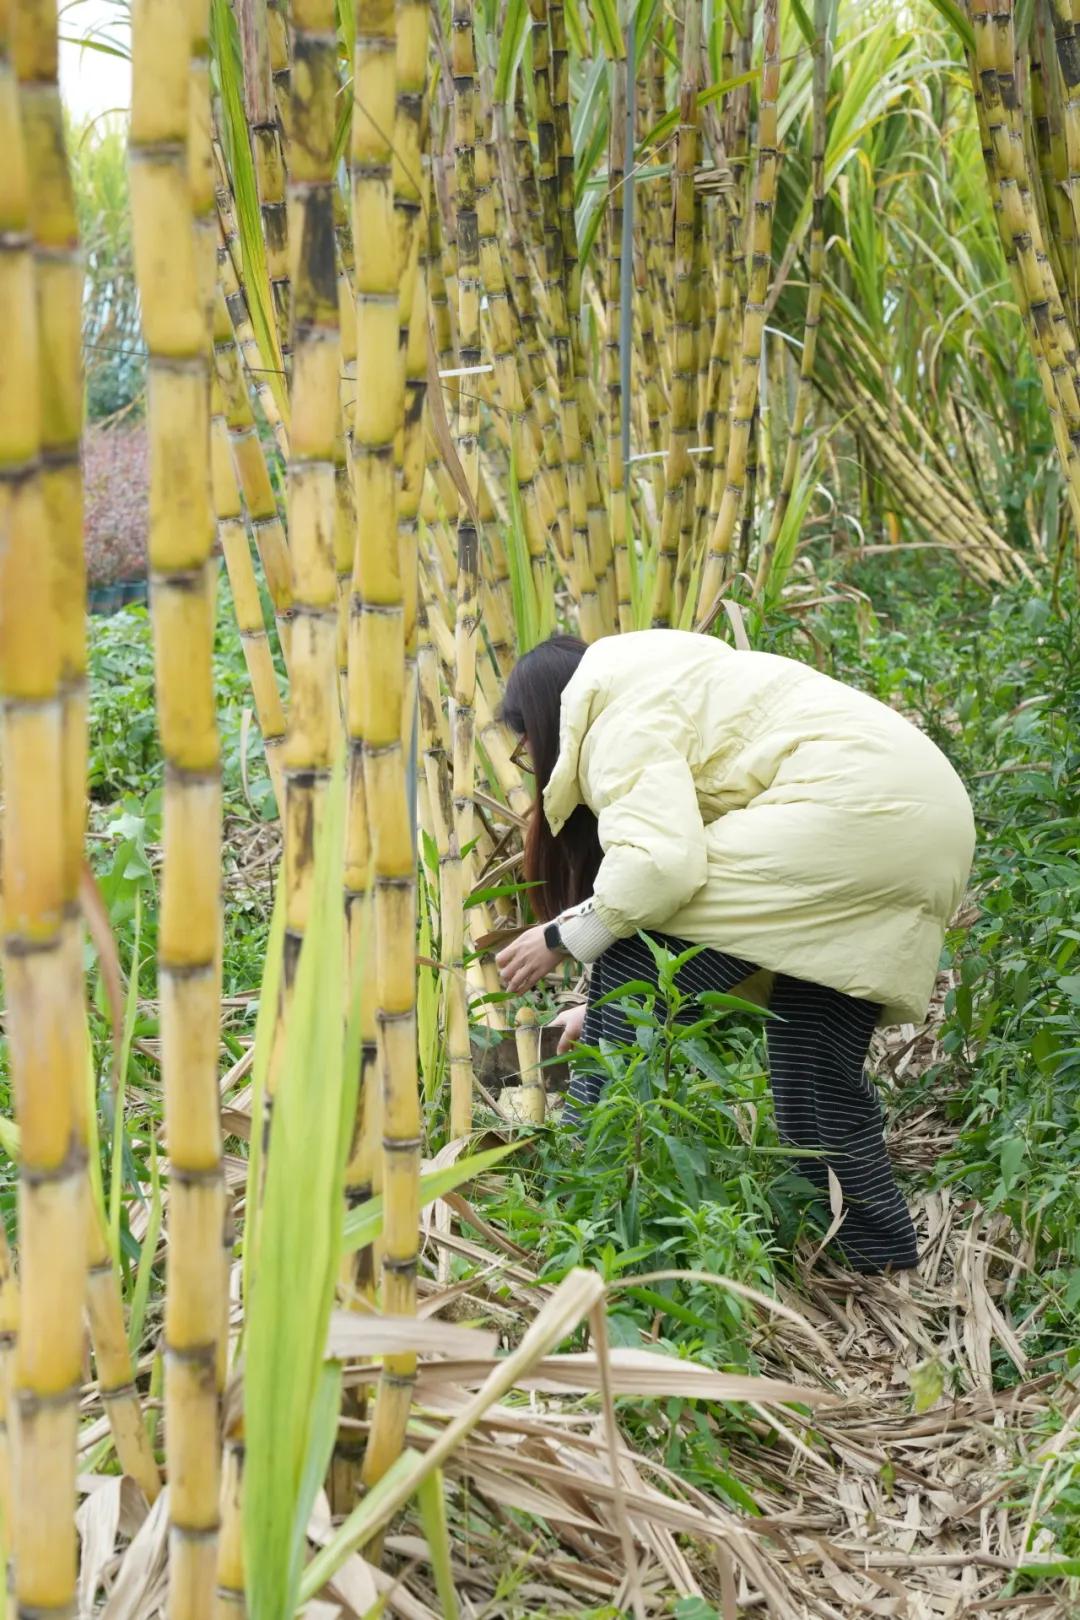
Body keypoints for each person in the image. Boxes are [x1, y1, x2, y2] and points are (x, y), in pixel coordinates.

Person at [495, 629, 975, 1274]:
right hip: (923, 830)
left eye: (525, 744)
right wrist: (603, 1002)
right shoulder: (677, 682)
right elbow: (737, 928)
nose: (530, 759)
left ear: (548, 713)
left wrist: (563, 939)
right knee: (814, 1075)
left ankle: (578, 1223)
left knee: (634, 954)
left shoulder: (616, 717)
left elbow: (660, 871)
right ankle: (879, 1256)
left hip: (846, 814)